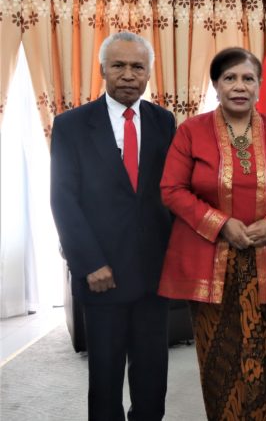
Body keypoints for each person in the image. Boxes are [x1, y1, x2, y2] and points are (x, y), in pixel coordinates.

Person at [157, 47, 266, 420]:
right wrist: (221, 223)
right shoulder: (191, 133)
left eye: (248, 78)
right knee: (219, 364)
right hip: (209, 265)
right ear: (215, 85)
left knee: (263, 361)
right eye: (230, 78)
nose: (239, 86)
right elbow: (172, 190)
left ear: (259, 86)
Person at [50, 31, 176, 421]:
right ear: (103, 69)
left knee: (153, 376)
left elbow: (171, 194)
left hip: (155, 275)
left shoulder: (164, 121)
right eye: (118, 65)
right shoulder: (71, 125)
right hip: (101, 275)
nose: (127, 75)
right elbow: (63, 199)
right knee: (105, 379)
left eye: (137, 67)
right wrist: (88, 264)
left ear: (149, 73)